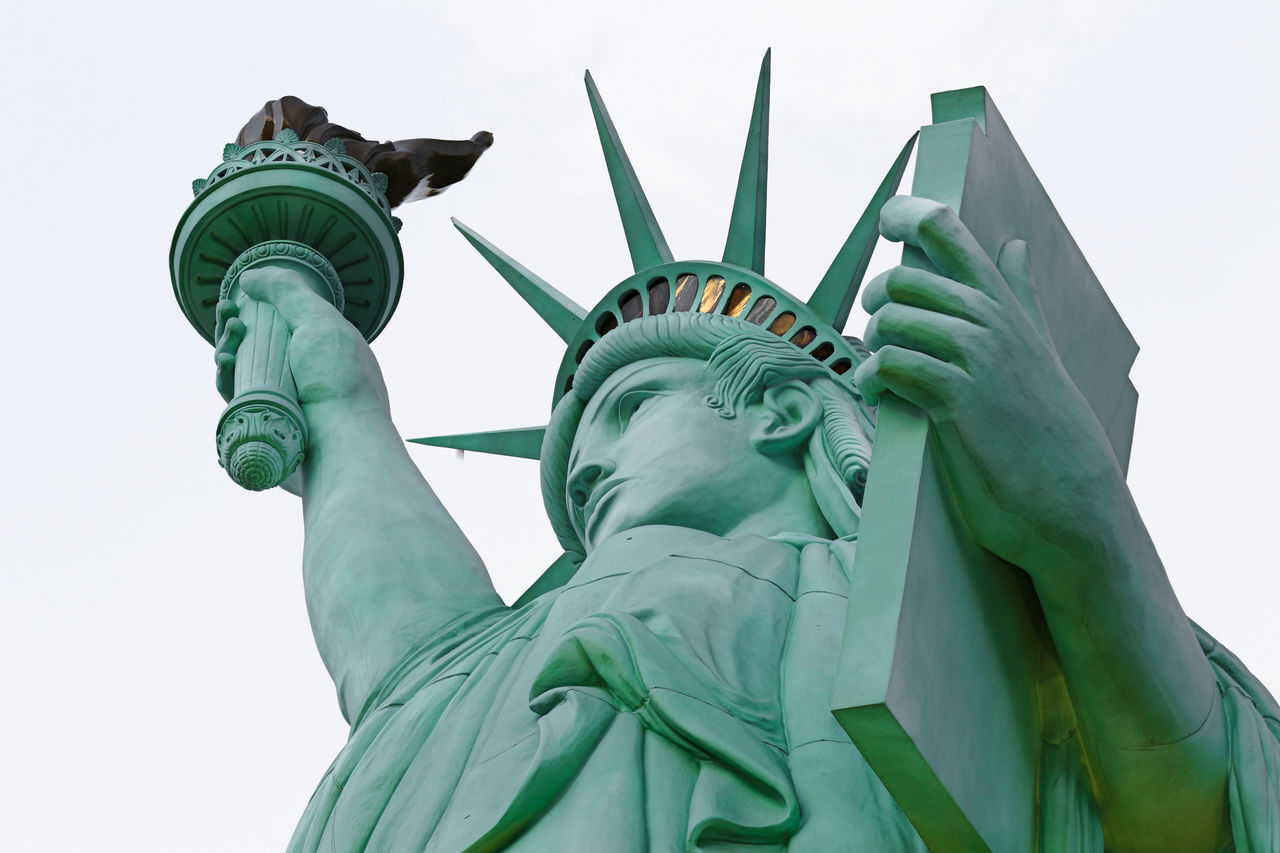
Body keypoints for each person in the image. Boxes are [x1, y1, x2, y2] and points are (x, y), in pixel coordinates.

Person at [212, 75, 1280, 853]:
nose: (584, 473)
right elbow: (384, 593)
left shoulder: (948, 615)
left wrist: (1079, 521)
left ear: (778, 409)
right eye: (575, 451)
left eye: (628, 409)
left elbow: (1183, 808)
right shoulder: (476, 672)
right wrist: (310, 331)